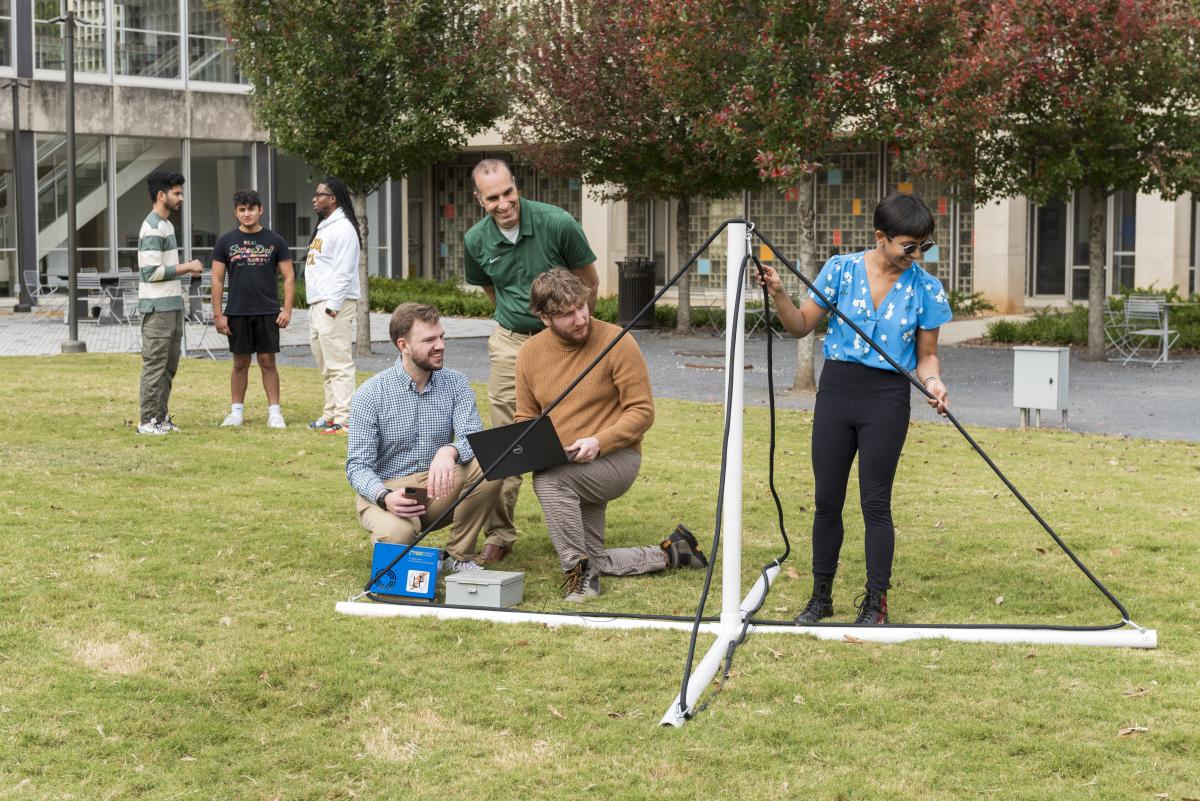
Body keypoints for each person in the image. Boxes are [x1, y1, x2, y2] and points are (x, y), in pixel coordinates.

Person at [756, 192, 952, 625]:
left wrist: (934, 384)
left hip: (887, 398)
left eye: (924, 246)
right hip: (837, 390)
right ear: (880, 237)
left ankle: (875, 603)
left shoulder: (926, 288)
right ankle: (820, 597)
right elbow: (801, 325)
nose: (917, 255)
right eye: (909, 246)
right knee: (827, 500)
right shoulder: (840, 271)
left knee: (875, 503)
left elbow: (927, 356)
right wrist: (780, 294)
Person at [515, 269, 707, 602]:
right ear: (545, 318)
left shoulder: (618, 341)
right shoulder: (529, 354)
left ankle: (580, 579)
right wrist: (528, 446)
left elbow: (642, 412)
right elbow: (526, 418)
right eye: (567, 314)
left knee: (548, 480)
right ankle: (674, 552)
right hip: (567, 462)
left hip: (617, 458)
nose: (580, 318)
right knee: (595, 556)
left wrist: (599, 442)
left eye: (582, 307)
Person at [463, 159, 600, 566]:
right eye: (493, 198)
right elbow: (492, 290)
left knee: (577, 429)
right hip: (510, 344)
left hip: (564, 341)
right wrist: (515, 324)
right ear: (479, 199)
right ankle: (501, 534)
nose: (504, 203)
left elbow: (589, 282)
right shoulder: (475, 240)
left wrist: (574, 332)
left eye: (508, 193)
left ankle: (580, 528)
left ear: (516, 186)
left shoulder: (557, 223)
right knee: (508, 440)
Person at [346, 302, 505, 573]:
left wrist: (449, 451)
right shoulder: (370, 394)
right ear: (403, 345)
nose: (440, 345)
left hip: (437, 486)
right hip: (389, 490)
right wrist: (385, 497)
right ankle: (398, 539)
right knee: (398, 536)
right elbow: (357, 467)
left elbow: (473, 437)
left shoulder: (456, 384)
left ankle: (457, 557)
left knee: (492, 460)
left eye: (441, 336)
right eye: (430, 339)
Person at [211, 189, 295, 429]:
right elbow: (216, 280)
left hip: (268, 311)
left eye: (251, 209)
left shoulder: (275, 241)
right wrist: (218, 315)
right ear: (236, 213)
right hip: (237, 312)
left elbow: (289, 277)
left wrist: (287, 309)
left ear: (261, 210)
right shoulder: (225, 242)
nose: (247, 214)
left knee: (268, 361)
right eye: (242, 210)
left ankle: (275, 413)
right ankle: (236, 412)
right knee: (240, 363)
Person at [136, 170, 204, 435]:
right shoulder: (152, 227)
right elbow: (150, 273)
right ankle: (147, 422)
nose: (181, 198)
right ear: (161, 195)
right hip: (157, 309)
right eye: (176, 193)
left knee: (169, 366)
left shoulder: (166, 225)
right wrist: (186, 267)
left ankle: (160, 418)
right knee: (155, 365)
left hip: (172, 306)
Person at [304, 176, 361, 435]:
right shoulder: (326, 226)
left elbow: (344, 271)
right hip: (319, 303)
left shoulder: (343, 228)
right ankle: (330, 414)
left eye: (320, 194)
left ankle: (344, 418)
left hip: (334, 304)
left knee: (339, 363)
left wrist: (333, 306)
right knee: (324, 362)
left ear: (334, 198)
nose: (315, 198)